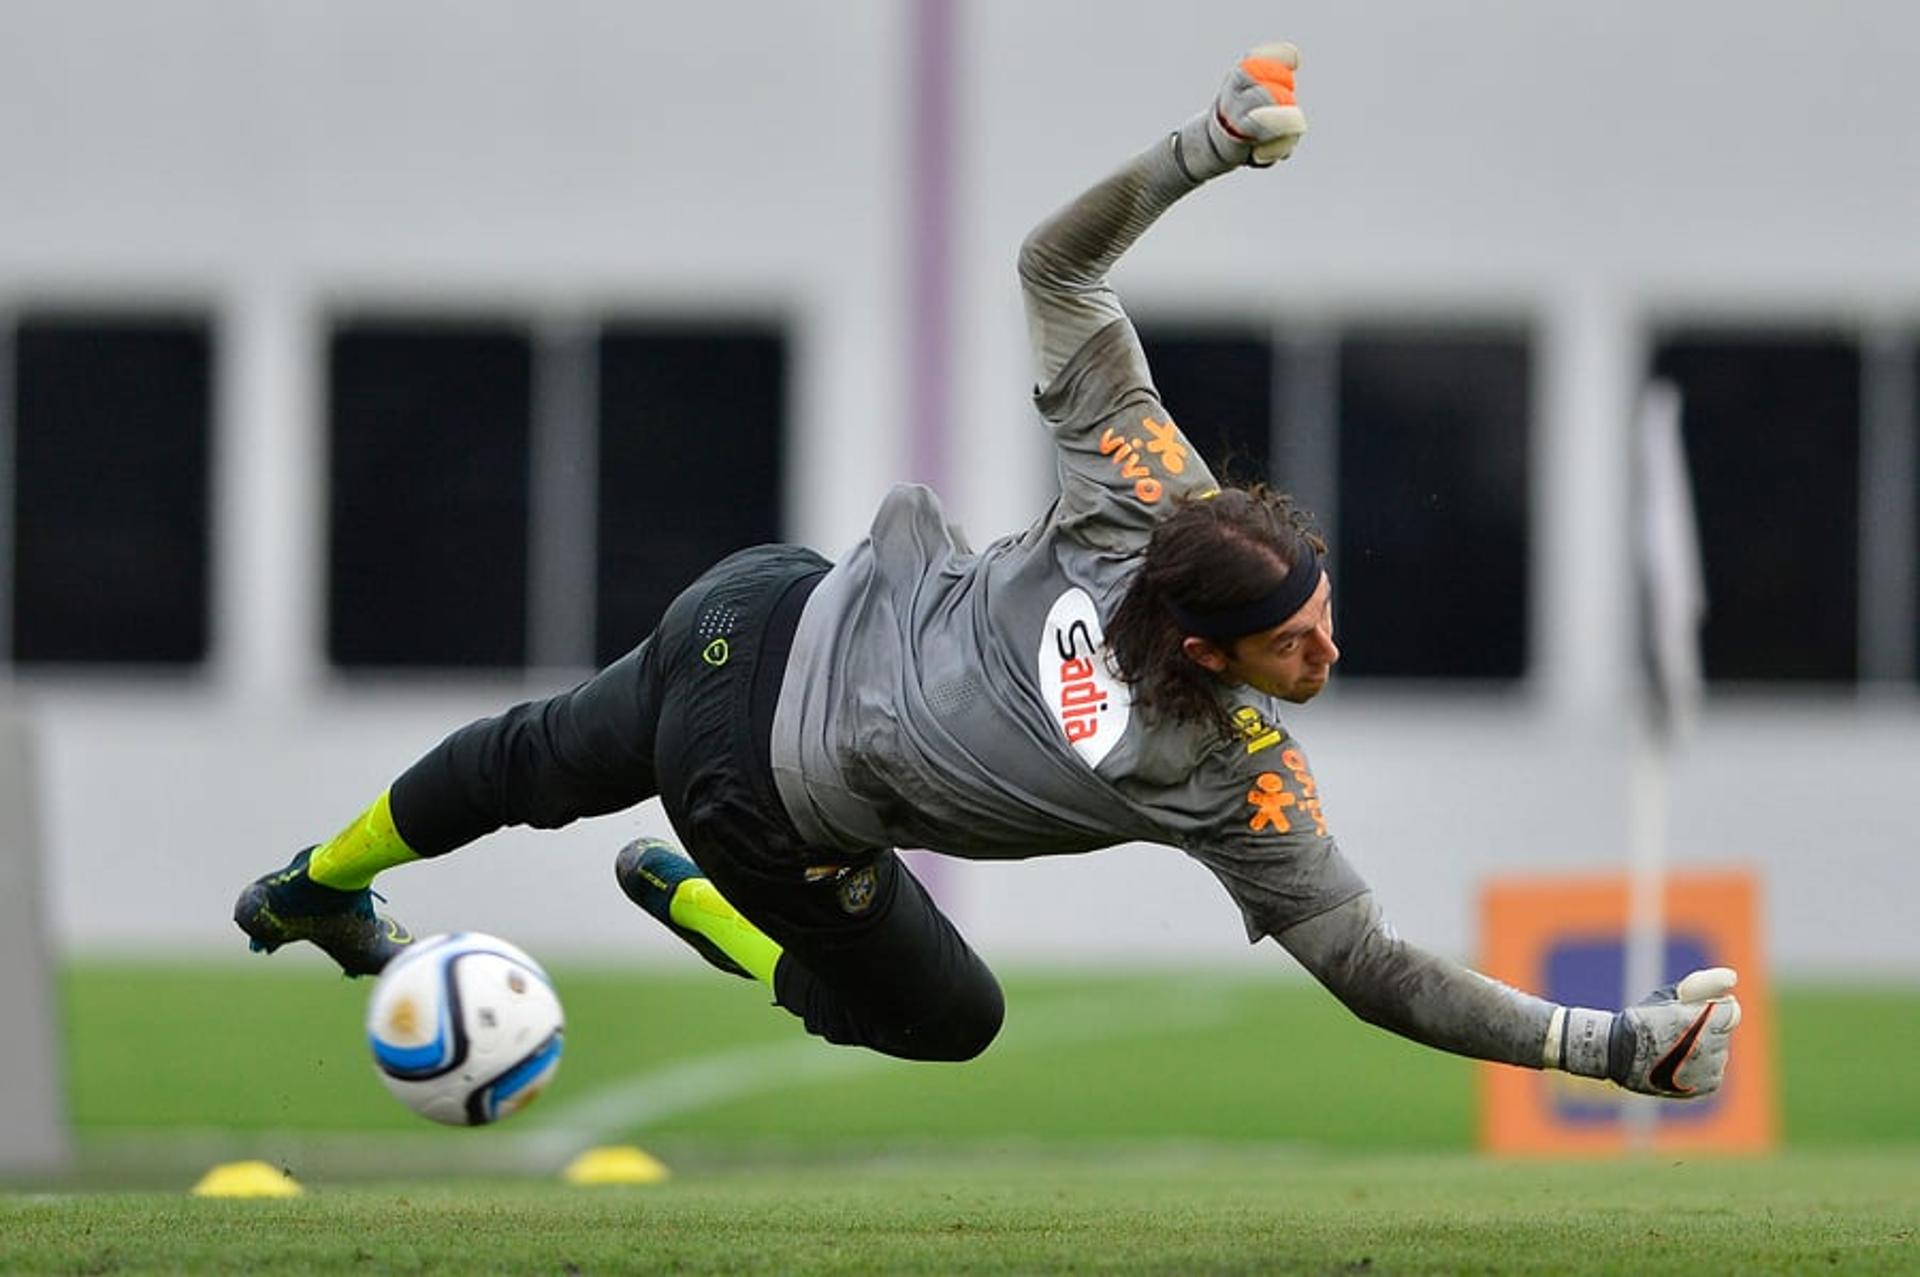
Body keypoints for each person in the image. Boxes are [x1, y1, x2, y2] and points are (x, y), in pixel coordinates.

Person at [236, 42, 1741, 1097]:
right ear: (1211, 654)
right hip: (761, 795)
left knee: (542, 753)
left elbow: (1057, 268)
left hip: (760, 605)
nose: (1324, 655)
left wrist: (1202, 150)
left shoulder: (1154, 498)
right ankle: (708, 909)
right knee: (949, 1017)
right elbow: (1373, 969)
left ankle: (315, 882)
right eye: (1297, 647)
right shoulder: (1232, 778)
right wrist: (1608, 1048)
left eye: (1323, 612)